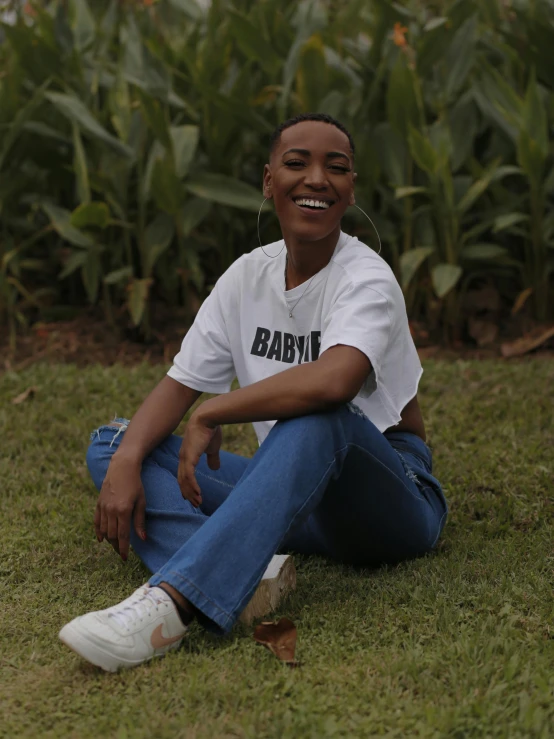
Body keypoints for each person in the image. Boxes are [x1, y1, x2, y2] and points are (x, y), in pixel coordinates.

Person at [59, 113, 448, 672]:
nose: (316, 178)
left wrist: (215, 410)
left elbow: (335, 381)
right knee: (117, 443)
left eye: (335, 168)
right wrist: (126, 459)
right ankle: (253, 571)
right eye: (297, 163)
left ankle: (171, 605)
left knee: (323, 414)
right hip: (292, 490)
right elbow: (179, 384)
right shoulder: (246, 277)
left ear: (350, 189)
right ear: (270, 181)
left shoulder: (367, 278)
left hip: (389, 498)